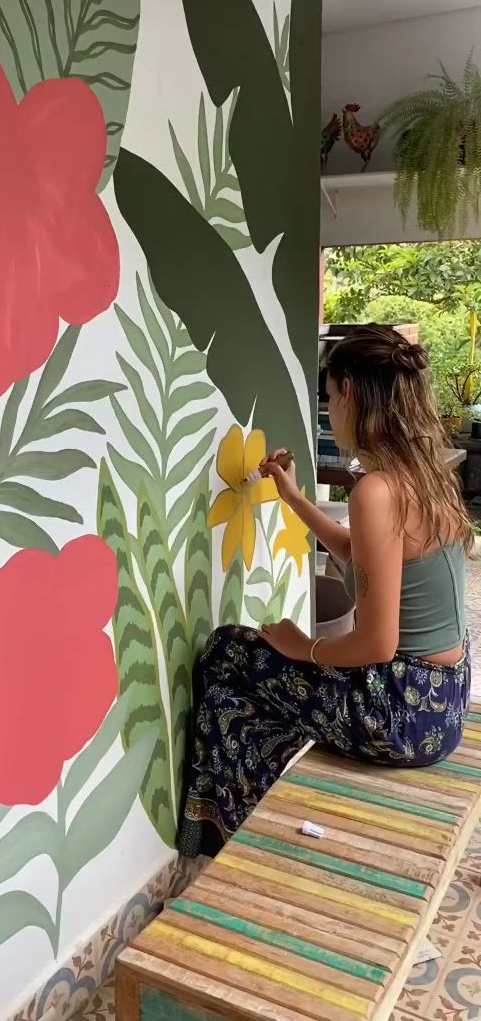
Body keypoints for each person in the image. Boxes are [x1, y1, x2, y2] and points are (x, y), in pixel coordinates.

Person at [178, 325, 473, 859]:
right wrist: (293, 497)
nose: (329, 409)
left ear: (350, 395)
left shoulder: (377, 491)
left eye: (330, 395)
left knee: (226, 655)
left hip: (402, 711)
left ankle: (230, 834)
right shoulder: (426, 475)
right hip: (444, 702)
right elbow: (361, 555)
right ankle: (259, 814)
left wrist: (302, 646)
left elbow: (377, 646)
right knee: (259, 675)